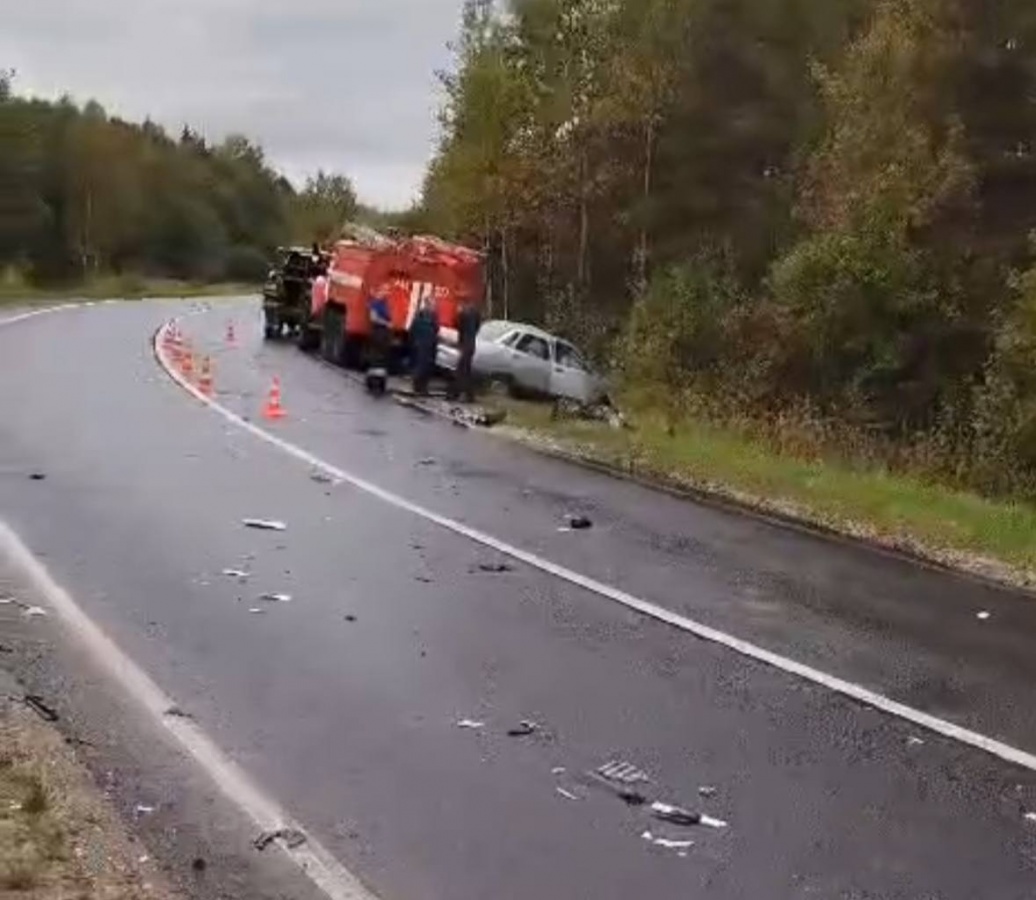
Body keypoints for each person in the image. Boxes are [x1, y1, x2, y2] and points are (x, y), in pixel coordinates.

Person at [449, 295, 482, 403]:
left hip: (465, 345)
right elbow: (477, 327)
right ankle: (468, 395)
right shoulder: (476, 314)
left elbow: (456, 325)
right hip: (471, 344)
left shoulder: (463, 314)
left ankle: (456, 394)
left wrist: (458, 313)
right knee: (466, 370)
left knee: (461, 370)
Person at [409, 296, 440, 396]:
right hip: (421, 343)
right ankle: (416, 386)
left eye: (434, 305)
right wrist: (415, 341)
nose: (434, 306)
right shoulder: (420, 314)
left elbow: (436, 328)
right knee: (420, 366)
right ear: (426, 304)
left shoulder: (434, 315)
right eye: (432, 304)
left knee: (428, 367)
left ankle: (424, 388)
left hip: (431, 344)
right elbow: (413, 328)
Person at [366, 286, 392, 395]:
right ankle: (373, 383)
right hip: (378, 332)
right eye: (384, 291)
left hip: (384, 333)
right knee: (377, 358)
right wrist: (386, 324)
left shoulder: (385, 303)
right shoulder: (376, 303)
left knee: (382, 359)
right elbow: (373, 318)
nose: (387, 293)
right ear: (379, 291)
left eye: (387, 291)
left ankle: (380, 383)